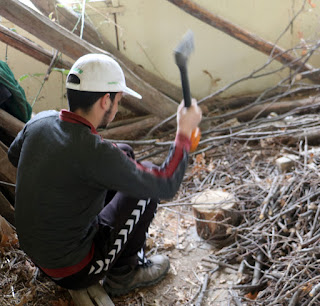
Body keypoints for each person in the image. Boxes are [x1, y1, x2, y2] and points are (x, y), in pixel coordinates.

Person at [7, 53, 202, 296]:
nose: (118, 108)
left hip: (38, 252)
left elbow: (14, 157)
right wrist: (183, 134)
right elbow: (166, 184)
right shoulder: (93, 152)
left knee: (126, 152)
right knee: (145, 188)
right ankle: (124, 272)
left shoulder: (40, 121)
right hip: (73, 269)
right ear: (104, 101)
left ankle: (111, 248)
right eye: (118, 101)